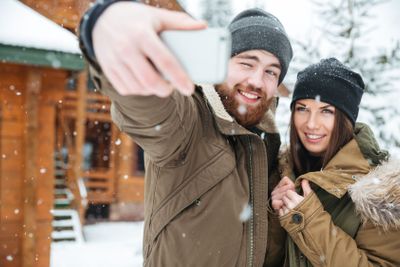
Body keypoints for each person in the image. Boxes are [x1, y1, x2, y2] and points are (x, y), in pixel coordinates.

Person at [79, 1, 293, 266]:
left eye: (271, 72)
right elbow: (148, 104)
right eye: (247, 63)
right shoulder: (190, 123)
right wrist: (103, 27)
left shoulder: (268, 150)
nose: (257, 81)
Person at [271, 58, 400, 266]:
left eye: (326, 111)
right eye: (302, 108)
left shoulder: (381, 192)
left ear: (345, 119)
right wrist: (274, 214)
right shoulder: (282, 171)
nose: (311, 124)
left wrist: (309, 221)